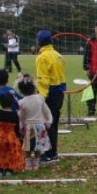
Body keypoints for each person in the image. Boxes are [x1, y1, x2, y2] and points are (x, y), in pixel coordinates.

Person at [35, 29, 66, 163]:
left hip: (49, 94)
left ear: (39, 42)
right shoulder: (58, 55)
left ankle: (50, 153)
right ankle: (52, 152)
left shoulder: (42, 57)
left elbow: (43, 80)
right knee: (53, 123)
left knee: (47, 124)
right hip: (60, 93)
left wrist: (40, 98)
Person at [17, 76, 53, 171]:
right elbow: (47, 111)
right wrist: (49, 121)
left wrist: (20, 126)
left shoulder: (22, 102)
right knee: (38, 145)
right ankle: (36, 162)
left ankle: (28, 163)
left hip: (29, 126)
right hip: (40, 125)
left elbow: (21, 116)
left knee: (27, 146)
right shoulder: (40, 98)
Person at [0, 94, 24, 177]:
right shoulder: (14, 115)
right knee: (10, 153)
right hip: (11, 137)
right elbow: (17, 128)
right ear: (12, 103)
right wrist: (18, 137)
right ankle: (9, 169)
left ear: (0, 103)